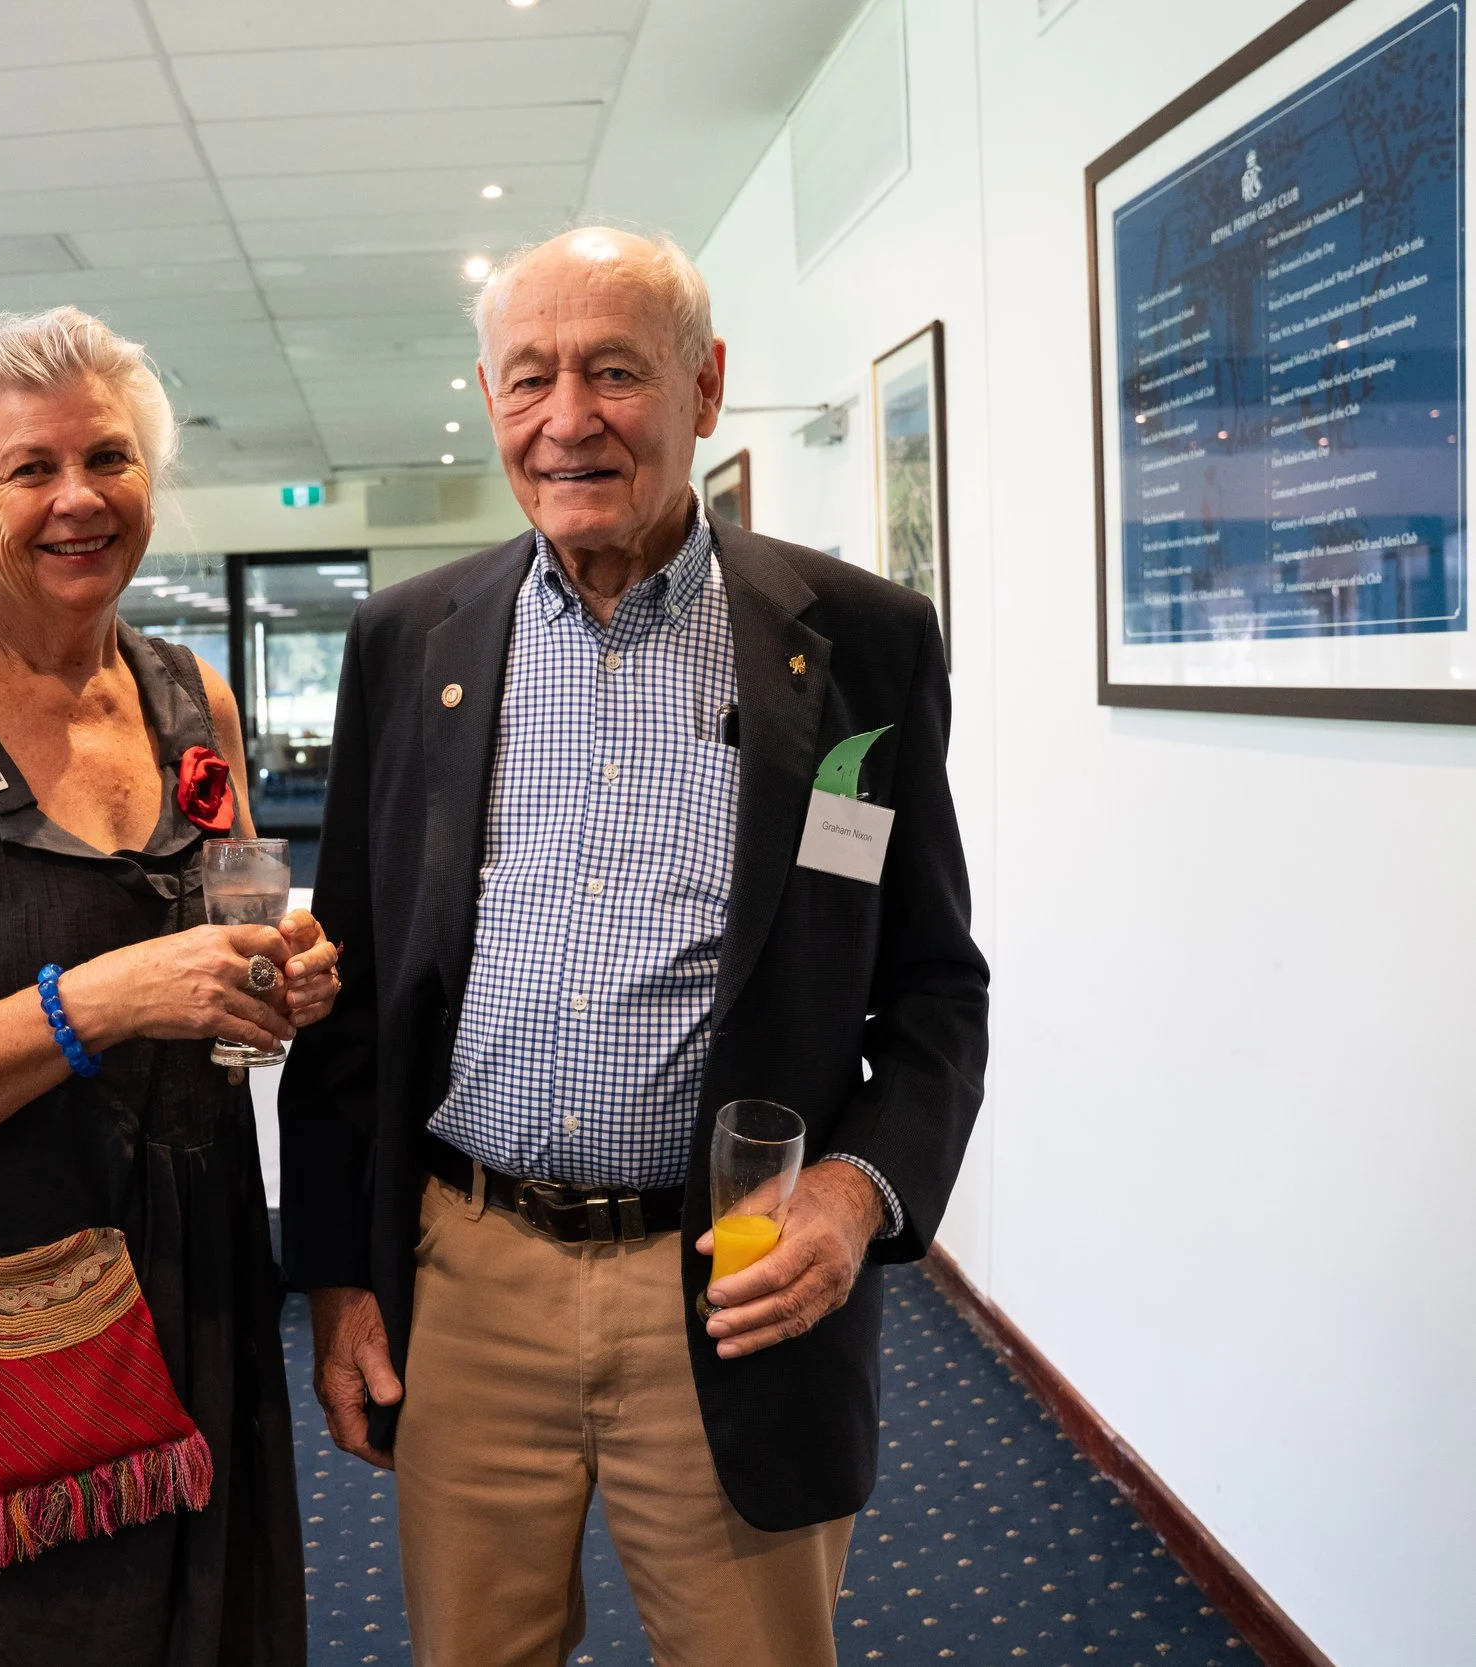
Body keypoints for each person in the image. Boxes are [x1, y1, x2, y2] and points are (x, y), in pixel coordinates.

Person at [278, 227, 990, 1667]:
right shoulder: (408, 643)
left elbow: (933, 988)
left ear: (704, 386)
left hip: (734, 1281)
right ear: (490, 400)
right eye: (528, 377)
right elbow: (354, 1001)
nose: (569, 418)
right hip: (470, 1276)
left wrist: (858, 1192)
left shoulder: (859, 640)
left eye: (615, 371)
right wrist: (342, 1278)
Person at [0, 306, 328, 1667]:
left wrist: (279, 982)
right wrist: (102, 1000)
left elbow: (226, 952)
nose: (77, 498)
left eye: (108, 458)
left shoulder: (192, 697)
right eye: (28, 468)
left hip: (199, 1272)